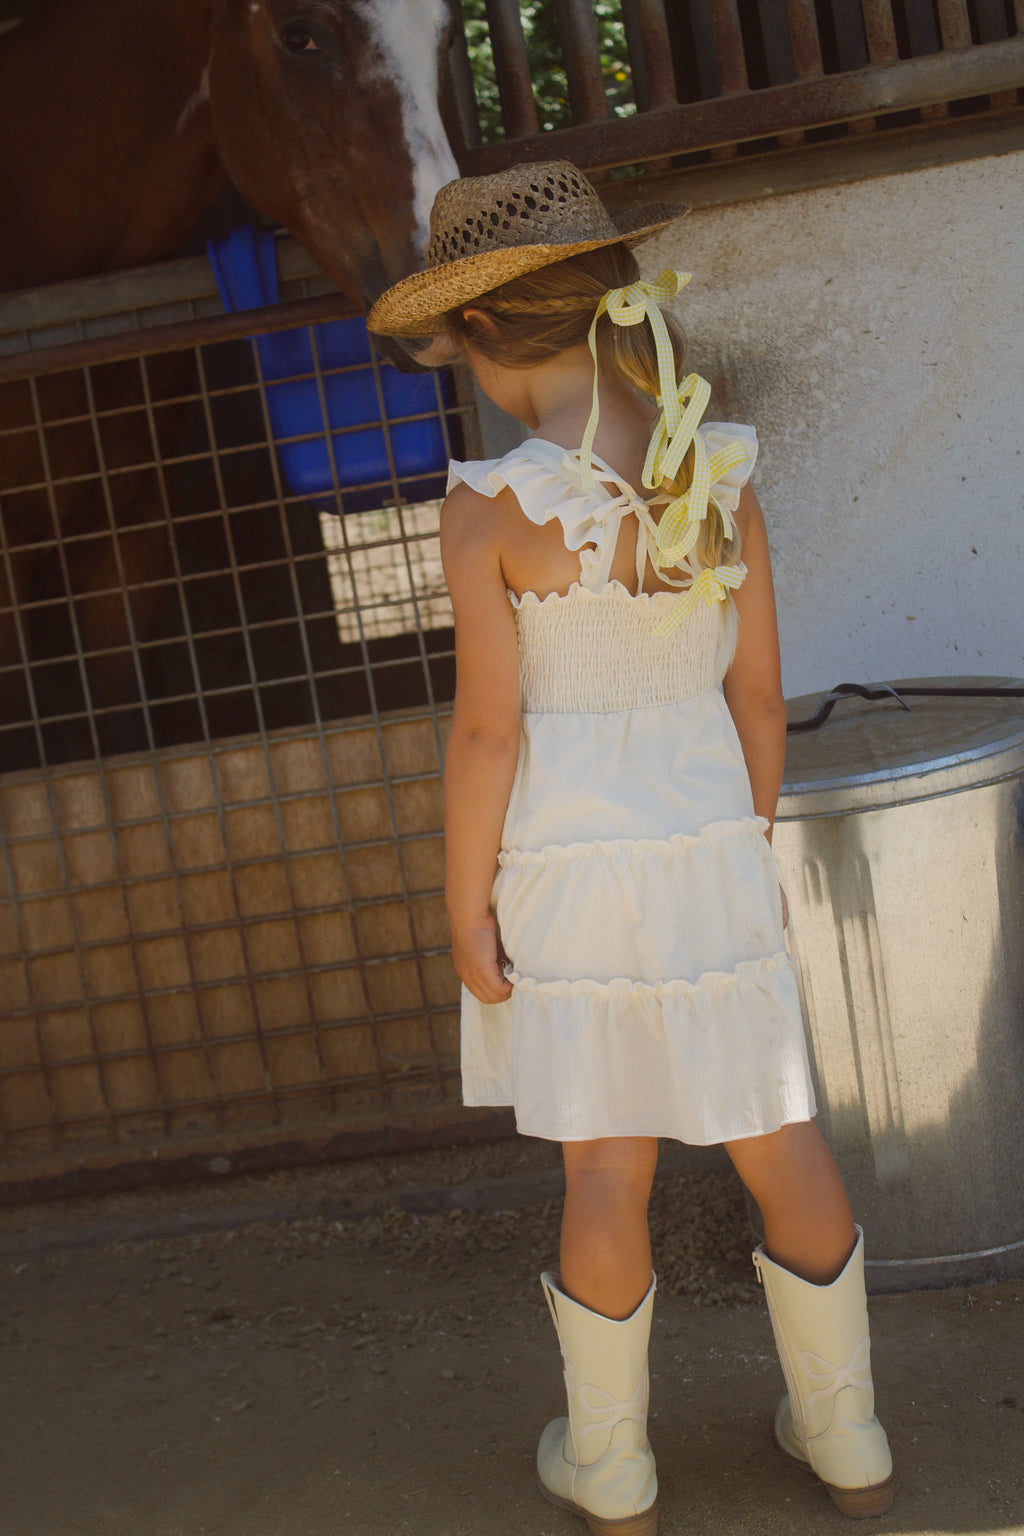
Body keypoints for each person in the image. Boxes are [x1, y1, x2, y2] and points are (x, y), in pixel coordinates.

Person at [368, 161, 893, 1536]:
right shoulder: (715, 473)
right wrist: (741, 844)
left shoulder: (491, 505)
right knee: (780, 1134)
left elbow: (488, 735)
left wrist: (463, 905)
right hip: (713, 851)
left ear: (484, 332)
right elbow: (761, 702)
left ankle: (611, 1467)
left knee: (604, 1166)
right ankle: (849, 1436)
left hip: (566, 872)